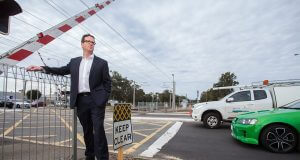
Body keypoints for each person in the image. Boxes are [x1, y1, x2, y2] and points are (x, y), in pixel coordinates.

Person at [26, 34, 111, 160]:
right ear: (82, 44)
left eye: (93, 42)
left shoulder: (102, 63)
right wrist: (41, 68)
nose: (91, 44)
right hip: (81, 101)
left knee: (98, 130)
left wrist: (103, 98)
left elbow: (107, 83)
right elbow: (61, 70)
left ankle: (103, 158)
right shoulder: (74, 62)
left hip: (96, 101)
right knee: (87, 130)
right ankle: (90, 156)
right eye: (88, 41)